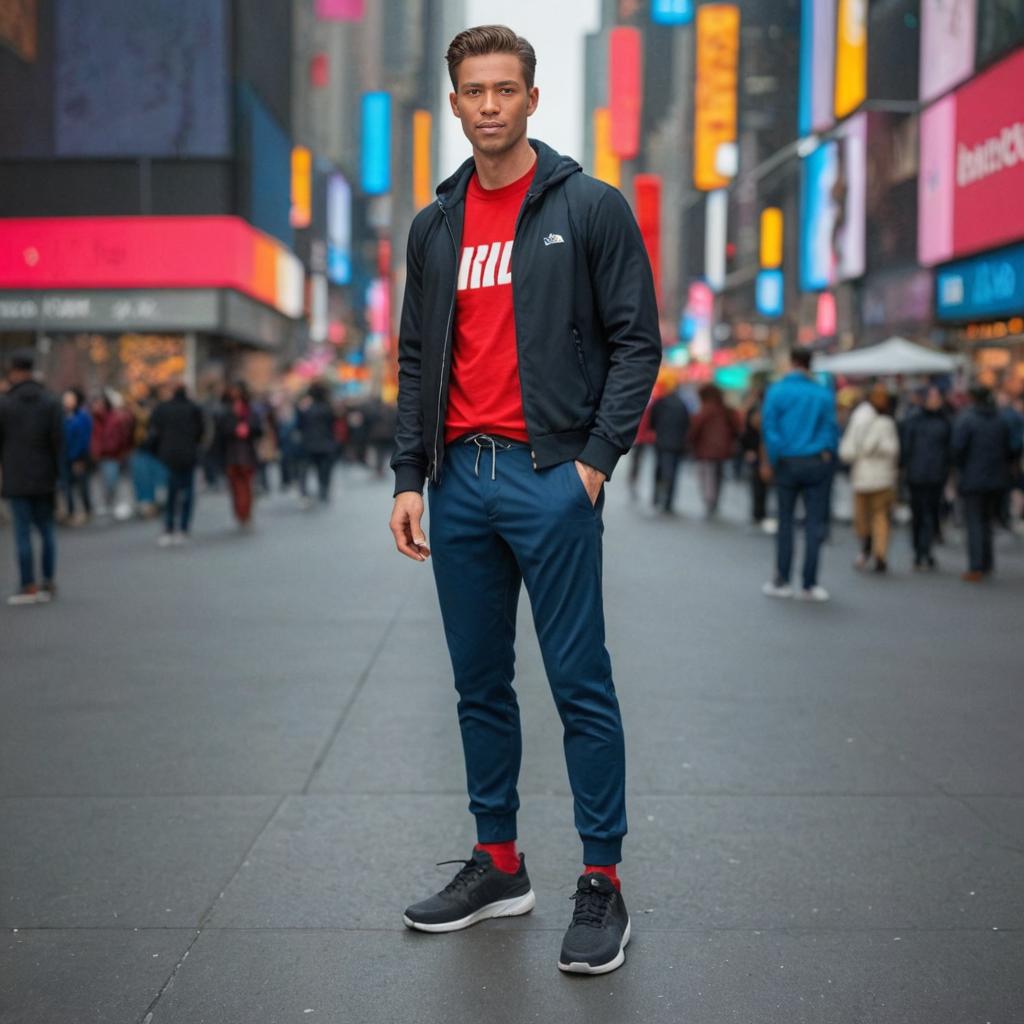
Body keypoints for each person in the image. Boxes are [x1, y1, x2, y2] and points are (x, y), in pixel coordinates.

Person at [388, 25, 660, 975]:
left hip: (550, 477)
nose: (491, 104)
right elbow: (417, 357)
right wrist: (408, 478)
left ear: (533, 99)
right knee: (478, 686)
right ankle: (499, 864)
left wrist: (592, 463)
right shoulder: (435, 226)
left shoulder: (589, 207)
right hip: (459, 478)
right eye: (475, 90)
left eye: (507, 88)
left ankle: (602, 881)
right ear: (455, 104)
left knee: (581, 685)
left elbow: (638, 343)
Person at [760, 349, 839, 601]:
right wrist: (826, 451)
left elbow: (769, 428)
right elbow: (831, 428)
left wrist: (774, 458)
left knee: (785, 522)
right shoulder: (822, 393)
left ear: (791, 362)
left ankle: (782, 579)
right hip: (816, 462)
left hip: (787, 462)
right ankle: (809, 583)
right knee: (814, 523)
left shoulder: (777, 391)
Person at [0, 351, 63, 605]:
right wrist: (60, 476)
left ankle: (28, 585)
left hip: (16, 476)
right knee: (47, 529)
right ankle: (48, 580)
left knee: (22, 532)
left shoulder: (5, 404)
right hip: (45, 475)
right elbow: (59, 442)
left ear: (14, 371)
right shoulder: (51, 401)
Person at [953, 386, 1016, 582]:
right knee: (987, 521)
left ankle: (976, 565)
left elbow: (958, 449)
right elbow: (1010, 449)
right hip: (996, 479)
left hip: (973, 478)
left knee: (974, 522)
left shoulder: (967, 419)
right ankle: (987, 562)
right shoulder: (1000, 420)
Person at [840, 384, 900, 573]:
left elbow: (848, 449)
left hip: (868, 476)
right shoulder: (885, 422)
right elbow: (893, 450)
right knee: (876, 517)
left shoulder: (861, 418)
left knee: (869, 517)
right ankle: (875, 551)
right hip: (877, 477)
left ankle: (873, 550)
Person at [901, 386, 952, 570]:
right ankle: (918, 551)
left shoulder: (944, 421)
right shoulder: (914, 420)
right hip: (917, 475)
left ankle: (925, 551)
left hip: (935, 476)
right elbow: (906, 447)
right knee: (918, 514)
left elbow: (950, 450)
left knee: (930, 514)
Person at [149, 384, 205, 545]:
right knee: (187, 493)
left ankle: (169, 527)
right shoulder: (194, 408)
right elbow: (201, 432)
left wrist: (158, 450)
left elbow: (154, 431)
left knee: (171, 493)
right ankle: (184, 527)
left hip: (169, 456)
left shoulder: (163, 409)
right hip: (188, 455)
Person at [688, 384, 738, 518]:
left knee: (707, 476)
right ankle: (714, 501)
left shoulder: (704, 410)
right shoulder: (726, 410)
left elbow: (694, 429)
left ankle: (710, 502)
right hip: (723, 450)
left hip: (706, 450)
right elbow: (737, 428)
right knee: (718, 476)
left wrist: (690, 442)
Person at [216, 382, 262, 528]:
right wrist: (235, 430)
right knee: (235, 485)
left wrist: (247, 430)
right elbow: (220, 432)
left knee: (246, 485)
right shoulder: (224, 410)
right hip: (230, 453)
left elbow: (258, 429)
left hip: (246, 453)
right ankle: (240, 512)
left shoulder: (250, 410)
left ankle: (245, 512)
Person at [90, 391, 135, 518]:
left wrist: (123, 449)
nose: (97, 406)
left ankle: (116, 503)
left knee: (113, 480)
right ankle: (110, 503)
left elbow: (124, 435)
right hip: (102, 454)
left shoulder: (116, 417)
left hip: (114, 454)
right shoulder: (94, 419)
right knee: (105, 481)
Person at [649, 380, 690, 514]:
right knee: (673, 472)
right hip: (677, 443)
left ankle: (656, 497)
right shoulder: (683, 405)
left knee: (660, 469)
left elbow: (652, 419)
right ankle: (668, 501)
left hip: (661, 441)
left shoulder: (661, 402)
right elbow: (687, 424)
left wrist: (656, 430)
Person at [297, 382, 337, 504]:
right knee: (324, 470)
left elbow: (299, 425)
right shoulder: (328, 408)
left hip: (308, 444)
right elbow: (333, 424)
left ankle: (304, 493)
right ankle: (323, 492)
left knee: (304, 470)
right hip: (326, 444)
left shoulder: (306, 409)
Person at [60, 388, 93, 526]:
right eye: (65, 398)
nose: (67, 401)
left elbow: (85, 438)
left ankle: (87, 510)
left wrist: (78, 457)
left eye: (70, 398)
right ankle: (70, 512)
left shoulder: (83, 416)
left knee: (82, 485)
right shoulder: (61, 416)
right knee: (66, 486)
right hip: (64, 457)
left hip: (79, 457)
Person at [740, 392, 770, 530]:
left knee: (761, 484)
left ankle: (760, 512)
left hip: (763, 452)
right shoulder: (759, 409)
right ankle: (758, 512)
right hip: (759, 452)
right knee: (758, 484)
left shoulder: (766, 409)